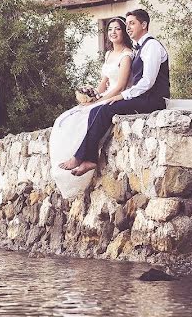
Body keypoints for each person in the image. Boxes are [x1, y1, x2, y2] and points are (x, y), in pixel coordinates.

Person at [61, 8, 169, 177]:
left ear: (144, 24)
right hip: (143, 97)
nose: (129, 28)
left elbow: (148, 82)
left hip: (154, 100)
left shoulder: (152, 46)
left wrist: (122, 95)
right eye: (128, 25)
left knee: (106, 108)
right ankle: (88, 159)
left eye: (132, 23)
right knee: (97, 110)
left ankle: (81, 157)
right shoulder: (140, 48)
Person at [49, 17, 135, 199]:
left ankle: (83, 158)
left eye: (117, 29)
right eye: (110, 29)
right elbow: (103, 83)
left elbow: (120, 86)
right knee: (67, 117)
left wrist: (100, 101)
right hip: (104, 96)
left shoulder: (127, 55)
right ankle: (76, 157)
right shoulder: (108, 54)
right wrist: (92, 95)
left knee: (89, 115)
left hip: (117, 97)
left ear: (124, 32)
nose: (113, 32)